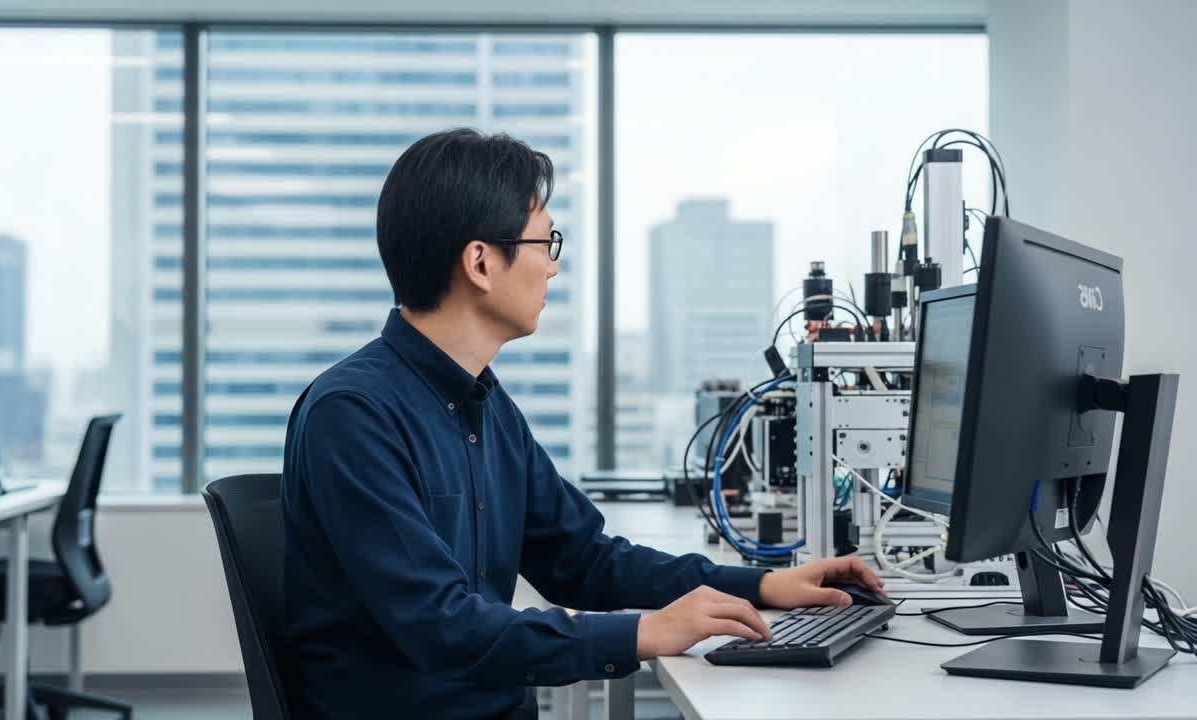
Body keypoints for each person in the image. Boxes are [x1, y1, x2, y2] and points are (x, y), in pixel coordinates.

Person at [282, 128, 884, 720]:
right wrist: (643, 632)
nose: (552, 269)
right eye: (547, 244)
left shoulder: (487, 408)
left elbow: (585, 562)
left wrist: (761, 585)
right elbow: (444, 628)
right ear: (481, 262)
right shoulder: (353, 415)